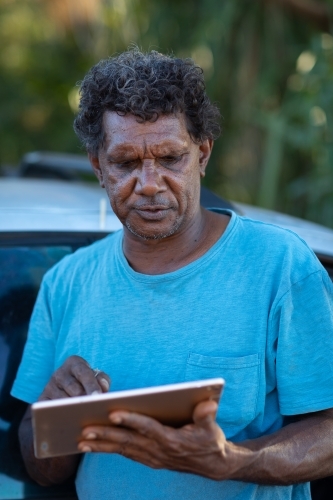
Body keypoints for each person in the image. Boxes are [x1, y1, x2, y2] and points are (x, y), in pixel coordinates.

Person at [11, 48, 333, 500]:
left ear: (202, 154)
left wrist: (233, 462)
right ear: (98, 167)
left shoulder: (281, 266)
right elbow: (41, 468)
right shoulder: (66, 282)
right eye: (125, 163)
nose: (148, 183)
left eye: (169, 158)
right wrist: (54, 413)